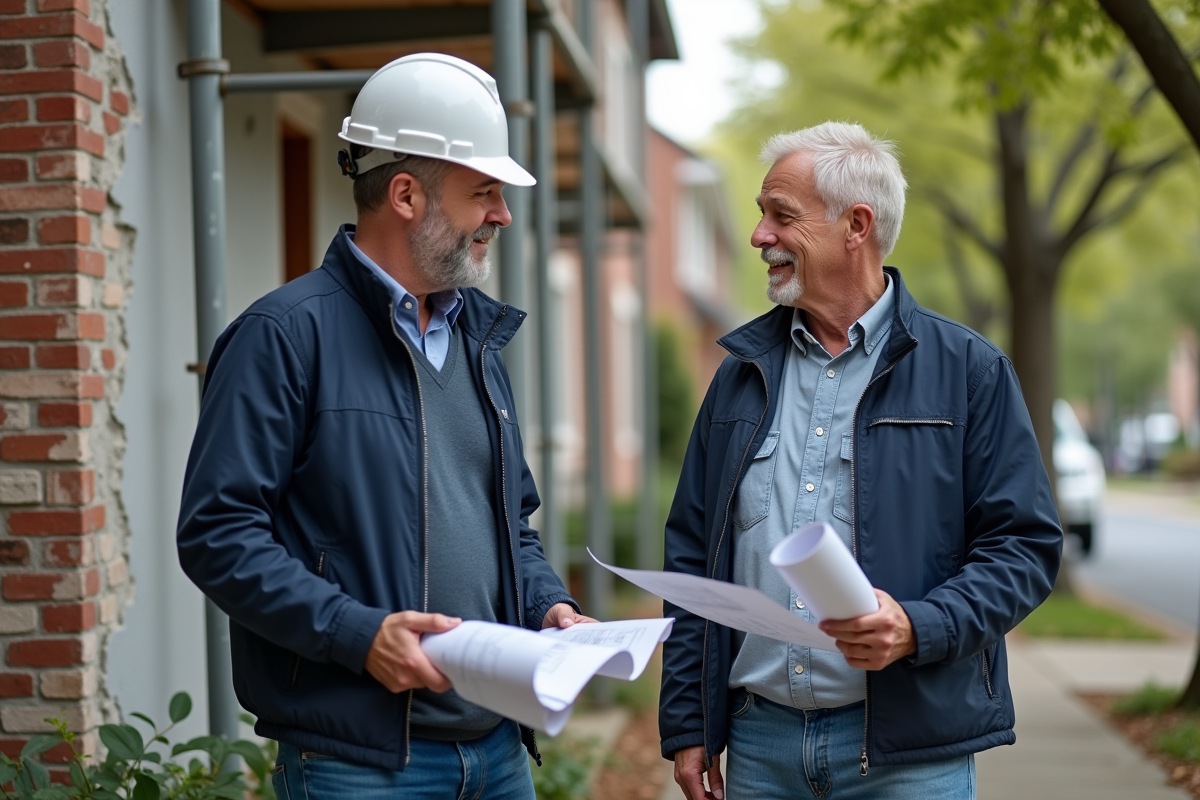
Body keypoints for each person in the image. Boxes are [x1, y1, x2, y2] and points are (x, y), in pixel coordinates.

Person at [177, 53, 591, 800]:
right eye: (484, 193)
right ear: (405, 193)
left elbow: (509, 521)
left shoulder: (475, 341)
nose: (500, 214)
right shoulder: (282, 335)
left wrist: (546, 605)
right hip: (359, 766)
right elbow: (218, 533)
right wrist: (356, 634)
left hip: (497, 751)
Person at [658, 121, 1062, 800]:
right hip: (761, 750)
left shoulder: (970, 373)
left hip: (911, 758)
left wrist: (917, 627)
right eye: (761, 214)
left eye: (780, 215)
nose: (759, 236)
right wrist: (689, 723)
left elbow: (1023, 547)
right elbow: (695, 557)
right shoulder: (738, 376)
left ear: (856, 225)